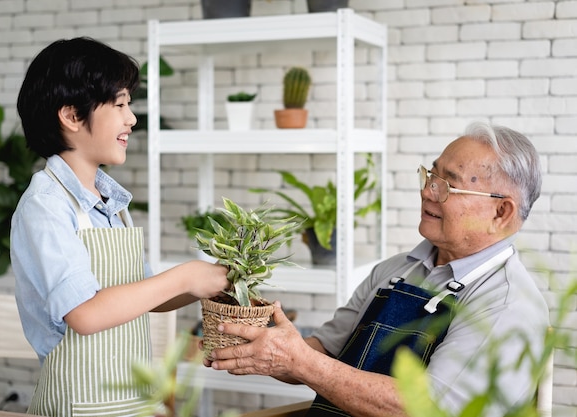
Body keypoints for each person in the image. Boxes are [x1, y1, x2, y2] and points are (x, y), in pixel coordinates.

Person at [205, 122, 549, 417]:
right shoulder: (395, 271)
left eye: (448, 185)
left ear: (501, 213)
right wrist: (260, 342)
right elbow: (323, 351)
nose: (428, 191)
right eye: (430, 175)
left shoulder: (507, 304)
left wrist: (299, 361)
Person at [11, 37, 229, 417]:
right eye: (121, 104)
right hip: (78, 407)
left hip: (129, 403)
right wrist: (184, 277)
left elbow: (149, 297)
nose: (132, 118)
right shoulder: (46, 204)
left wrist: (210, 280)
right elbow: (86, 314)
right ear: (73, 116)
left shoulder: (111, 204)